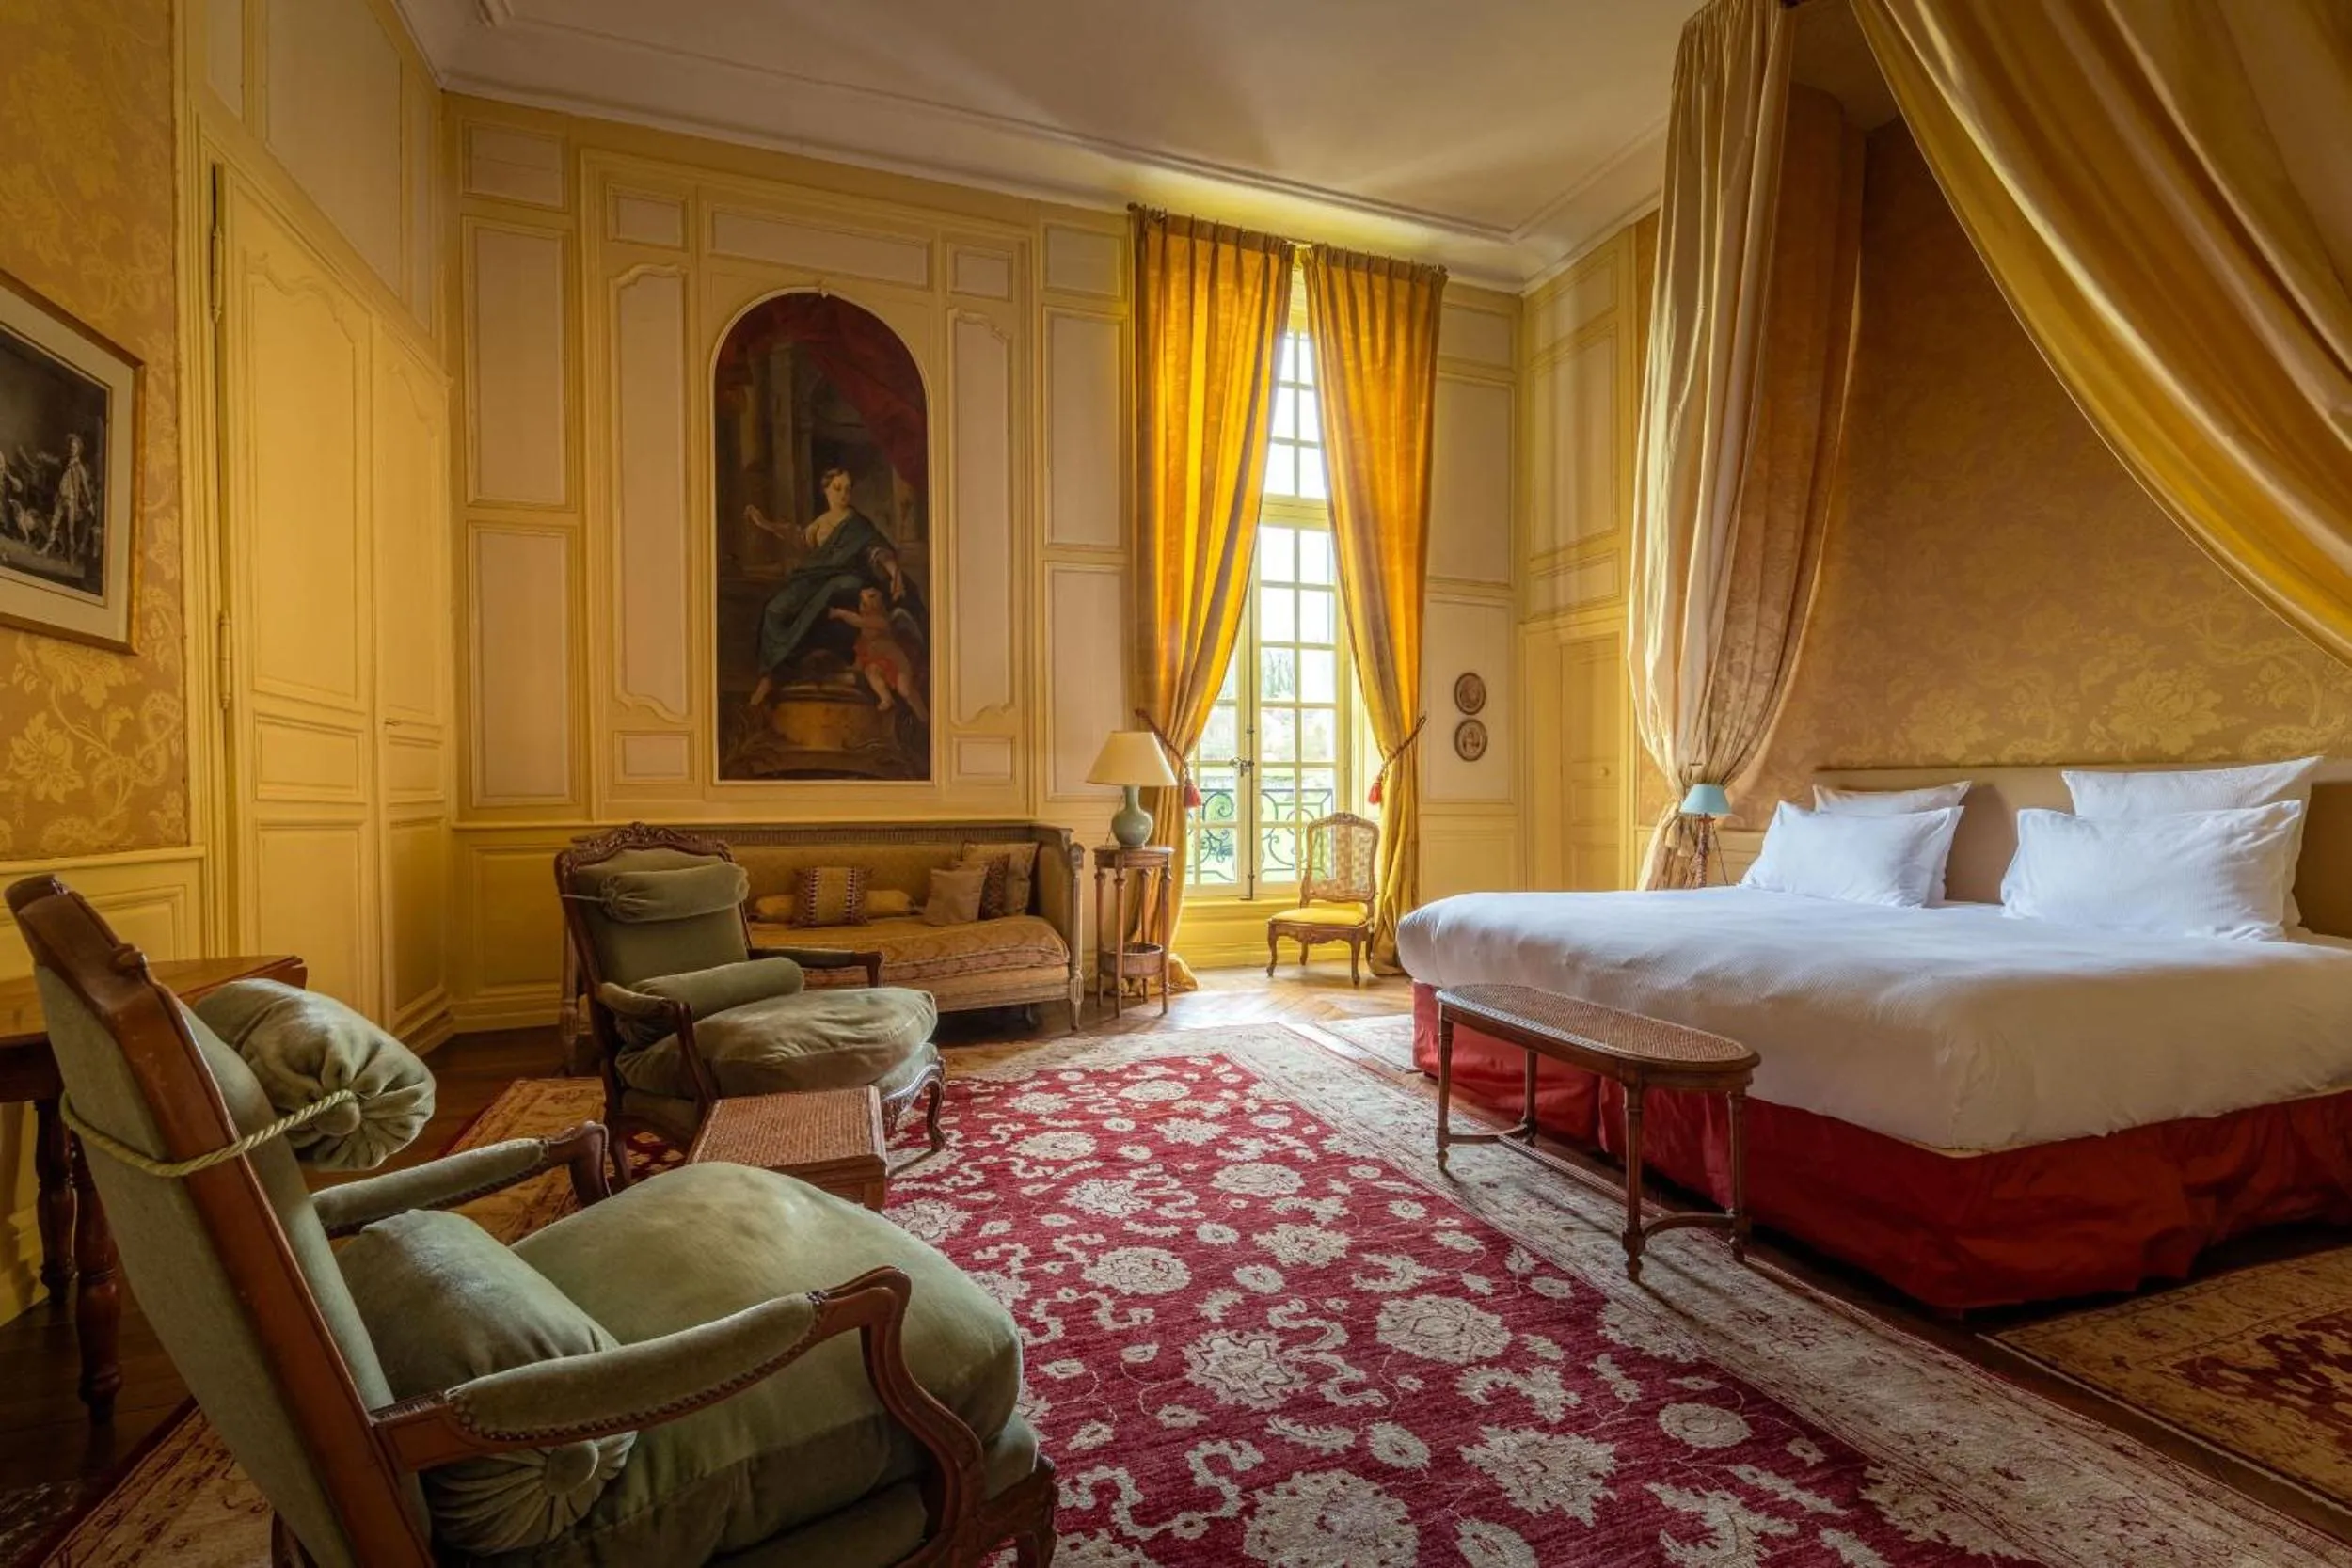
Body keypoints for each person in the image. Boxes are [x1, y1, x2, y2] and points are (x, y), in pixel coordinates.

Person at [742, 465, 928, 709]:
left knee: (836, 591)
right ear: (826, 491)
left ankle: (799, 670)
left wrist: (895, 574)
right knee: (775, 609)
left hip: (846, 578)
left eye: (848, 489)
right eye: (838, 488)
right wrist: (765, 524)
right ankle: (770, 675)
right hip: (813, 578)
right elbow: (799, 538)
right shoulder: (821, 523)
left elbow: (876, 551)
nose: (843, 494)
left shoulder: (858, 525)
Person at [829, 585, 929, 720]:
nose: (862, 607)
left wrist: (840, 613)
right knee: (871, 671)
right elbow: (862, 653)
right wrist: (854, 668)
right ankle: (886, 699)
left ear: (877, 605)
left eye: (865, 604)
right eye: (861, 603)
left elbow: (858, 621)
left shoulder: (881, 621)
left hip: (897, 664)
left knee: (905, 690)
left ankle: (926, 719)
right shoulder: (864, 635)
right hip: (880, 662)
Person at [47, 434, 97, 566]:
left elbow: (85, 488)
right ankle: (46, 548)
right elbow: (60, 475)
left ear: (78, 449)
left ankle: (71, 557)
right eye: (70, 446)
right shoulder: (65, 463)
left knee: (70, 530)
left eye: (74, 447)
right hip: (61, 498)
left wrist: (90, 504)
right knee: (54, 523)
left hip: (71, 500)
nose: (71, 449)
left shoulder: (80, 468)